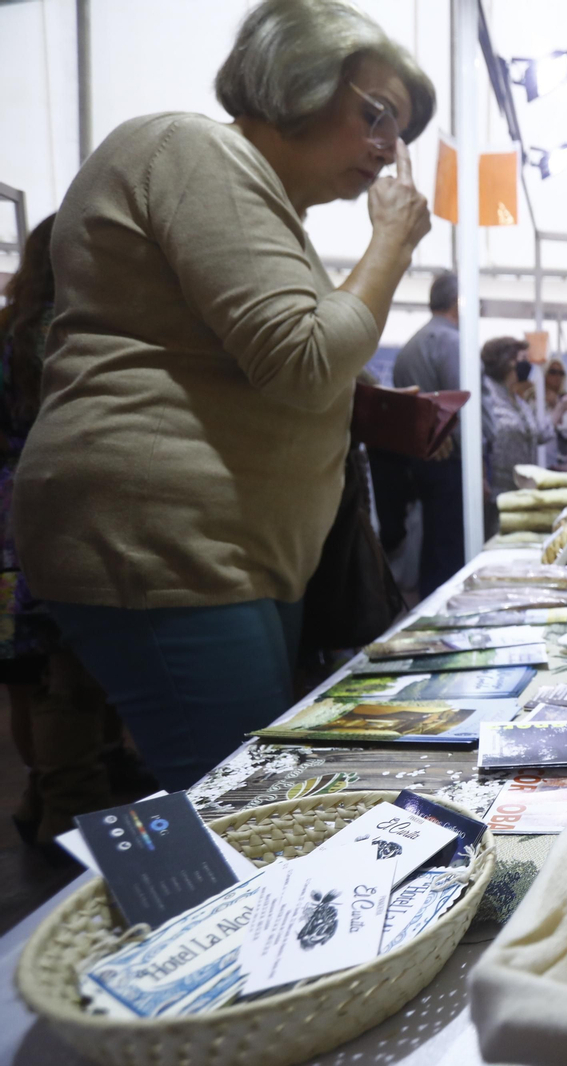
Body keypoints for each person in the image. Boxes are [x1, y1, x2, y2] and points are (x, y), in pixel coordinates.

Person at [14, 0, 435, 790]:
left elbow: (272, 367)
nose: (389, 148)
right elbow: (305, 359)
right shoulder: (197, 151)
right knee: (238, 804)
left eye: (401, 132)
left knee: (239, 790)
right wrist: (390, 246)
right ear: (299, 80)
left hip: (226, 554)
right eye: (376, 114)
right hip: (169, 547)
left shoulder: (262, 203)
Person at [1, 216, 146, 842]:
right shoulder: (60, 335)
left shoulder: (13, 329)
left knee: (32, 676)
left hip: (12, 524)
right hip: (58, 516)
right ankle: (72, 814)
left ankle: (43, 796)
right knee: (70, 673)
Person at [392, 271, 462, 597]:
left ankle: (429, 602)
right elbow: (464, 405)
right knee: (448, 546)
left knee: (433, 540)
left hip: (419, 457)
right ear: (458, 303)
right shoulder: (450, 341)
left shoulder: (411, 345)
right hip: (448, 458)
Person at [481, 336, 554, 505]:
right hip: (497, 491)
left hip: (523, 488)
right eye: (522, 359)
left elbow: (538, 434)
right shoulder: (487, 396)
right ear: (507, 362)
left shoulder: (517, 399)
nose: (527, 364)